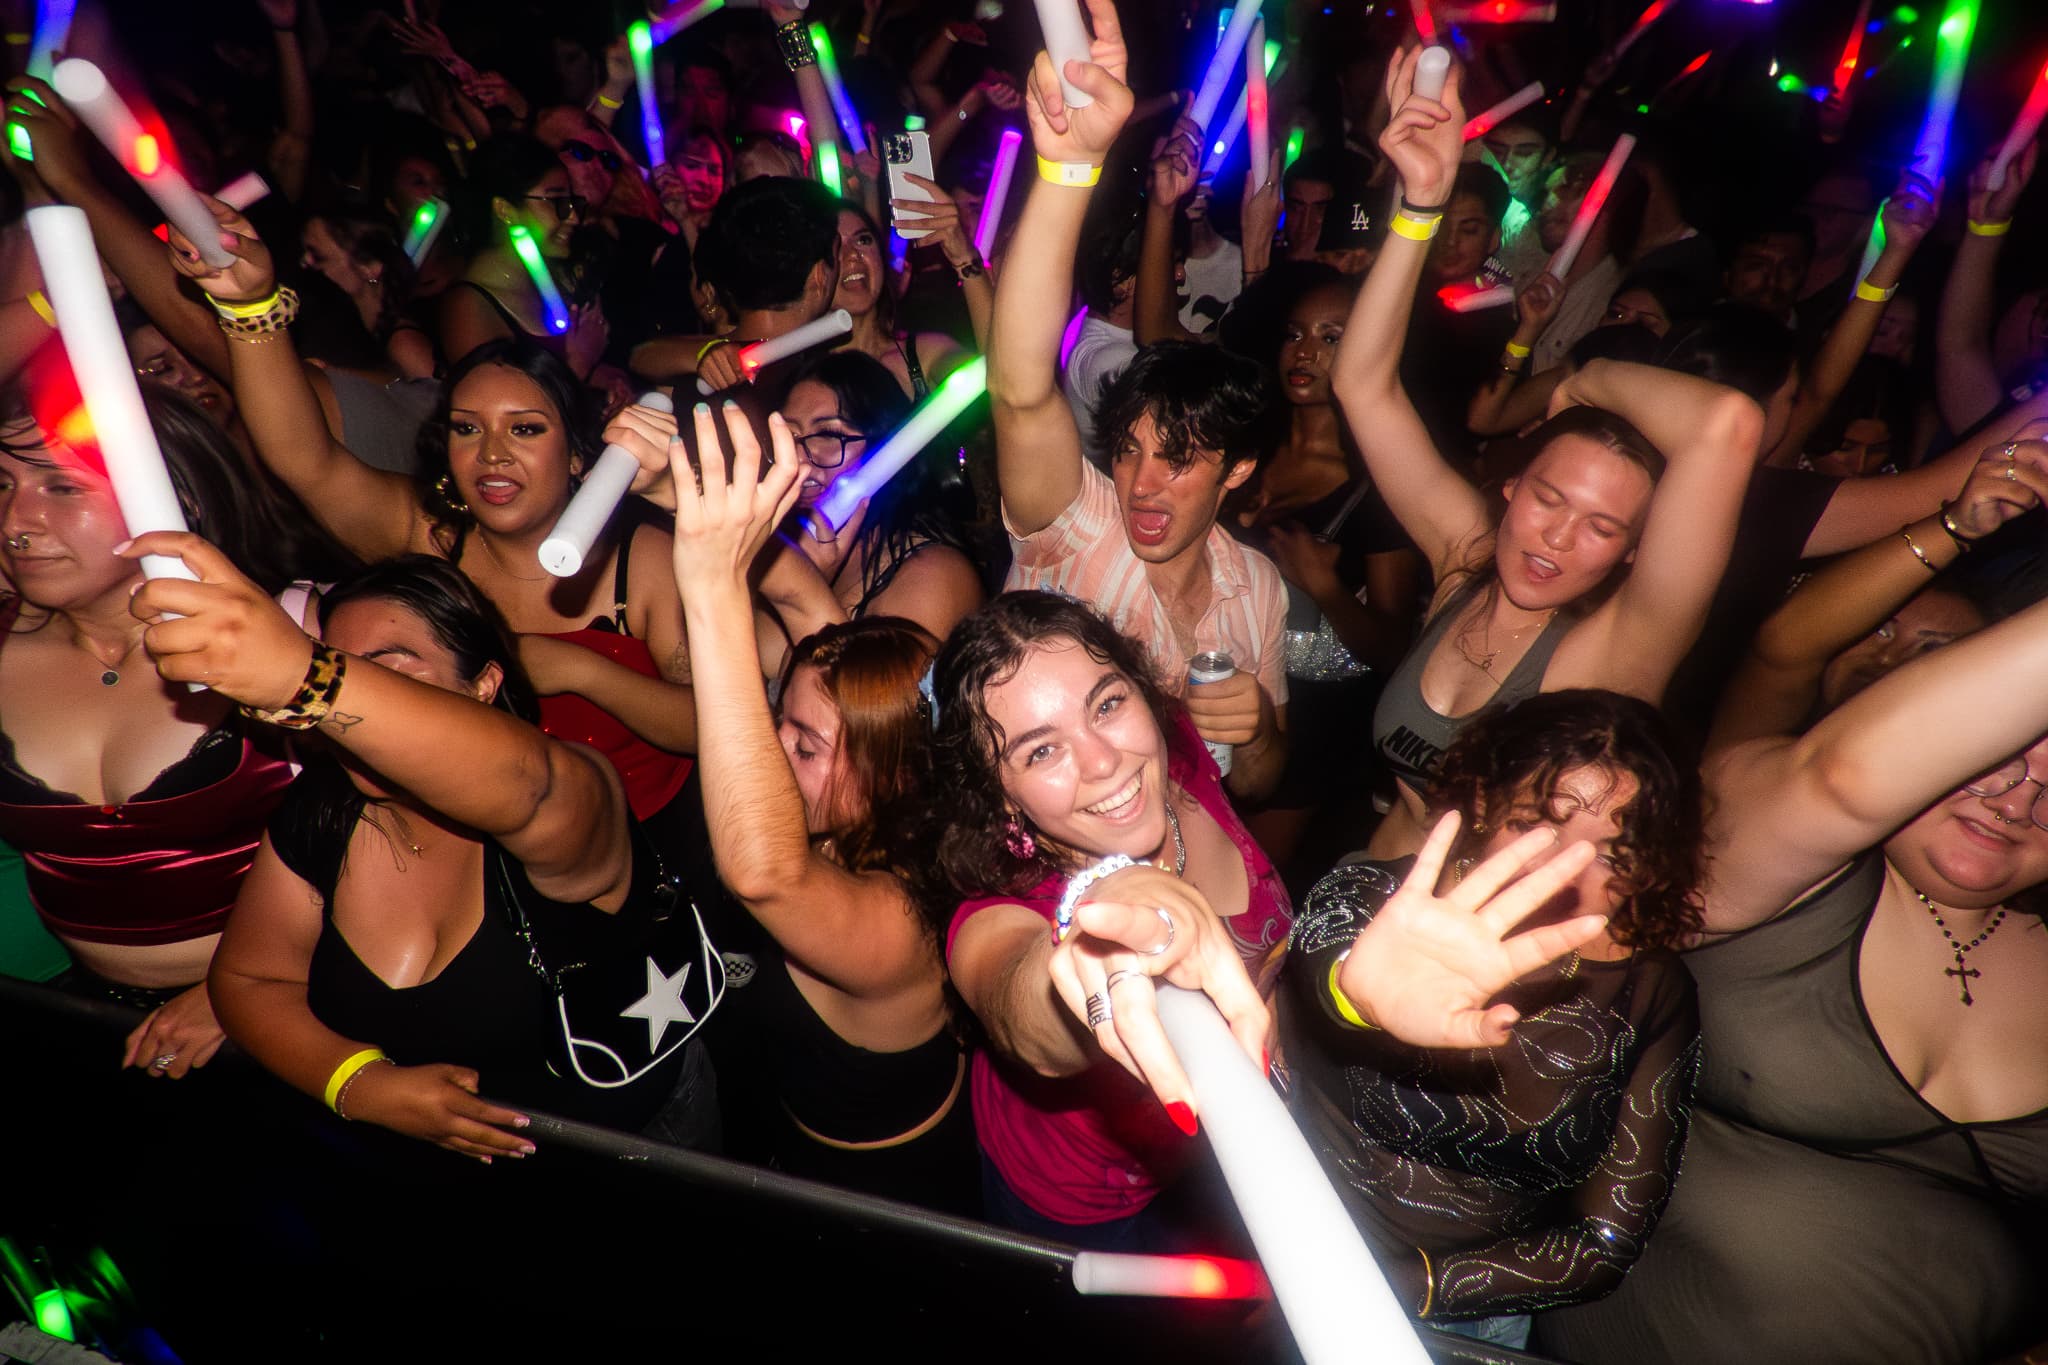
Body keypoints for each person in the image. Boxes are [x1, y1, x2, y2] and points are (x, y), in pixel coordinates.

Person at [1536, 441, 2048, 1365]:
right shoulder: (1763, 847)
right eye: (1994, 751)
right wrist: (1945, 527)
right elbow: (1821, 729)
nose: (2017, 796)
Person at [1334, 50, 1760, 859]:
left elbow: (1728, 424)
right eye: (1550, 499)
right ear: (1511, 485)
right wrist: (1420, 203)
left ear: (1637, 549)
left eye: (1603, 526)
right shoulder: (1464, 562)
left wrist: (1585, 377)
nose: (1557, 539)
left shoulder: (1620, 647)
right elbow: (1361, 386)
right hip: (1361, 892)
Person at [166, 207, 700, 852]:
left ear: (579, 454)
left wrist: (576, 670)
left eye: (525, 429)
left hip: (643, 848)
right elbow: (301, 458)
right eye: (467, 428)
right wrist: (250, 310)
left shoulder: (640, 558)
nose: (492, 453)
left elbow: (706, 722)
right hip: (472, 854)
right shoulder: (430, 537)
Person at [183, 550, 716, 1154]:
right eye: (347, 670)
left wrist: (310, 678)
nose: (356, 715)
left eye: (392, 674)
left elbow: (528, 784)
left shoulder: (571, 785)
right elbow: (253, 978)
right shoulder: (323, 805)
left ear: (485, 684)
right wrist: (357, 1085)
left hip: (635, 1154)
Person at [1282, 690, 1702, 1349]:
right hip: (1286, 1254)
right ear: (1483, 802)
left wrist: (1412, 1287)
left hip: (1467, 1323)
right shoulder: (1369, 899)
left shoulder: (1648, 991)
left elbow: (1606, 1240)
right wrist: (1359, 998)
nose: (1565, 874)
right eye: (1539, 828)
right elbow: (1327, 973)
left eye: (1613, 853)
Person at [650, 399, 977, 1211]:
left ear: (896, 772)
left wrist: (713, 583)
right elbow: (806, 605)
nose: (771, 753)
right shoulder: (882, 758)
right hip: (785, 1132)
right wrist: (683, 494)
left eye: (802, 743)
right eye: (781, 725)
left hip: (881, 1191)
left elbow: (765, 873)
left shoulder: (905, 916)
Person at [988, 7, 1290, 802]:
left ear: (1241, 469)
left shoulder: (1256, 586)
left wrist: (1255, 729)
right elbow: (1021, 391)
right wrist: (1069, 170)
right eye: (1130, 449)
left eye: (1180, 458)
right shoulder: (1078, 529)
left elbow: (1259, 786)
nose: (1142, 483)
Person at [0, 404, 297, 1079]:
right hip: (82, 1014)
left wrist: (244, 991)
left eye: (61, 486)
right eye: (1, 486)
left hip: (289, 1007)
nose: (17, 522)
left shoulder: (288, 635)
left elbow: (400, 846)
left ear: (168, 493)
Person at [755, 350, 983, 669]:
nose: (800, 459)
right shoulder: (776, 552)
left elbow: (869, 715)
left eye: (829, 434)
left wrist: (806, 590)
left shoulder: (934, 577)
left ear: (885, 449)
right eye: (789, 436)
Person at [436, 136, 607, 380]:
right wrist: (581, 363)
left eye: (571, 203)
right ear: (505, 210)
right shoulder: (467, 307)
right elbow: (500, 408)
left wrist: (603, 376)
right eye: (557, 202)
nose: (573, 218)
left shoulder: (553, 282)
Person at [827, 199, 982, 399]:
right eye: (835, 246)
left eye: (863, 240)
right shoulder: (794, 370)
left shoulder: (926, 353)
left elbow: (999, 384)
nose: (853, 255)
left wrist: (964, 257)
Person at [299, 207, 436, 379]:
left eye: (318, 257)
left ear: (370, 267)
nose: (305, 264)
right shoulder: (348, 333)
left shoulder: (404, 344)